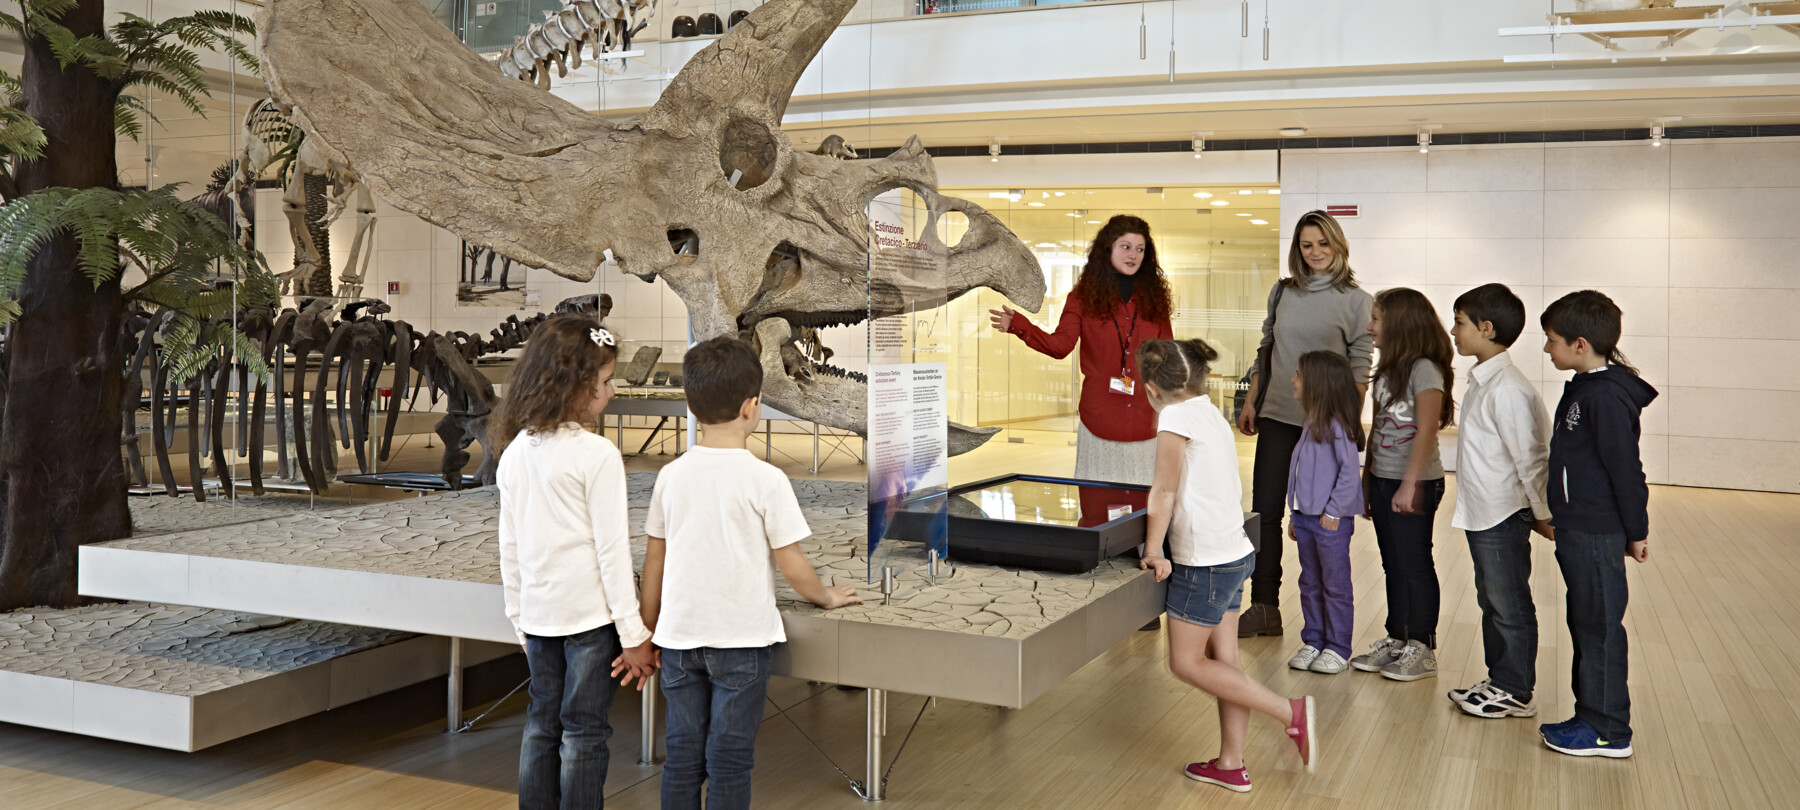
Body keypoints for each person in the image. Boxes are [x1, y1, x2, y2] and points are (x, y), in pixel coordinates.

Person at [640, 336, 864, 809]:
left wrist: (648, 626)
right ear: (751, 406)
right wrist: (823, 596)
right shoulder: (765, 479)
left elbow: (654, 559)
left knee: (681, 757)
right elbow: (791, 561)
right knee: (730, 758)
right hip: (741, 643)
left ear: (691, 403)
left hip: (678, 642)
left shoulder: (671, 475)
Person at [1134, 338, 1317, 794]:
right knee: (1225, 659)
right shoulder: (1207, 410)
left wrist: (1154, 551)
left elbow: (1163, 491)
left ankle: (1289, 713)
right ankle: (1231, 763)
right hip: (1234, 552)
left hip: (1204, 563)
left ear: (1151, 384)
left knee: (1184, 662)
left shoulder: (1173, 416)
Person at [493, 316, 657, 810]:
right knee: (584, 732)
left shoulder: (515, 451)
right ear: (573, 386)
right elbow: (611, 553)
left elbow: (510, 550)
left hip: (539, 620)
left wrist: (519, 620)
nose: (611, 391)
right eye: (604, 382)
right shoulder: (597, 455)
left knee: (542, 723)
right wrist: (634, 636)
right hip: (590, 622)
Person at [1235, 211, 1374, 638]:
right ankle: (1264, 606)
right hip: (1276, 415)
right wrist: (1252, 400)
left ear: (1338, 245)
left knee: (1320, 520)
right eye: (1306, 245)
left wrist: (1346, 421)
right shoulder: (1283, 292)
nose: (1314, 252)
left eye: (1323, 244)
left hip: (1323, 428)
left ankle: (1329, 625)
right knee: (1264, 513)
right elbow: (1266, 348)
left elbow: (1359, 367)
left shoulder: (1357, 300)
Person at [1536, 290, 1655, 759]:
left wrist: (1635, 529)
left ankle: (1608, 730)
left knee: (1600, 627)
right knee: (1585, 622)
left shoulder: (1604, 396)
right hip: (1578, 527)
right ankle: (1589, 715)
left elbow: (1625, 468)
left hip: (1596, 530)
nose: (1548, 350)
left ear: (1580, 344)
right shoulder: (1586, 386)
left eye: (1552, 341)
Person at [990, 214, 1174, 487]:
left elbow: (1168, 358)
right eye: (1125, 247)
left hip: (1147, 423)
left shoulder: (1154, 301)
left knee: (1144, 510)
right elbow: (1060, 346)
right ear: (1107, 249)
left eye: (1140, 249)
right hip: (1098, 422)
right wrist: (1020, 326)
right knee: (1098, 510)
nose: (1133, 255)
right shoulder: (1081, 298)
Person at [1445, 284, 1553, 719]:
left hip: (1503, 515)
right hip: (1483, 512)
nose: (1453, 331)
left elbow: (1533, 461)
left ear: (1486, 328)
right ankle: (1501, 679)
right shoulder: (1483, 379)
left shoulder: (1507, 388)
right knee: (1492, 599)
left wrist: (1544, 513)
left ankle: (1516, 689)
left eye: (1459, 322)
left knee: (1509, 602)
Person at [1350, 287, 1454, 682]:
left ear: (1400, 323)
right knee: (1392, 563)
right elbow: (1376, 429)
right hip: (1383, 478)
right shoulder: (1386, 371)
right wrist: (1366, 480)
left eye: (1376, 318)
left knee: (1414, 563)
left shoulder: (1425, 368)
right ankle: (1398, 637)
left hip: (1416, 482)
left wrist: (1408, 485)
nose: (1370, 326)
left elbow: (1427, 429)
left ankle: (1422, 647)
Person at [1283, 351, 1365, 676]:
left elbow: (1349, 473)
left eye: (1299, 375)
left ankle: (1338, 648)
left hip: (1329, 521)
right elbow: (1303, 473)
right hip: (1305, 519)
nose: (1293, 379)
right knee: (1310, 582)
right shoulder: (1310, 423)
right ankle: (1314, 640)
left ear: (1317, 383)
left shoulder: (1337, 425)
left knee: (1335, 585)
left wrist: (1333, 511)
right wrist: (1295, 514)